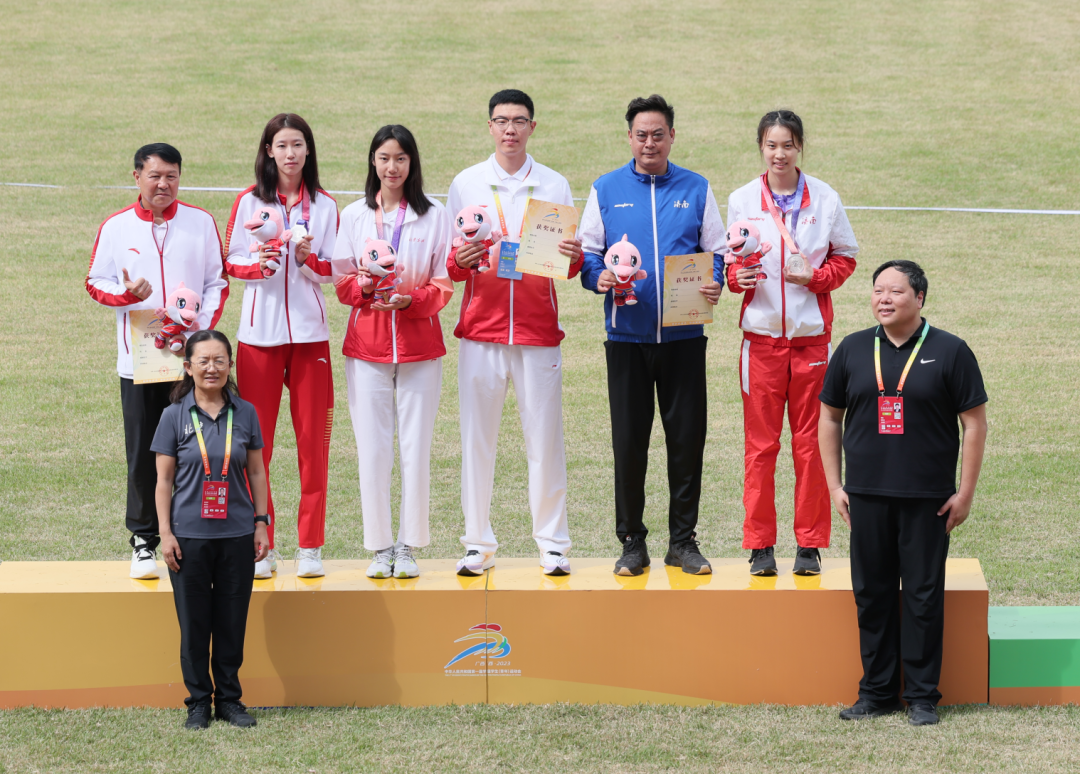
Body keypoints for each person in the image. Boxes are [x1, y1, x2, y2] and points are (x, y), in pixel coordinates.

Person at [819, 260, 988, 726]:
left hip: (927, 499)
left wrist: (965, 494)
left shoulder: (951, 351)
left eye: (895, 291)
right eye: (877, 291)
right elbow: (829, 419)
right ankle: (875, 693)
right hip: (866, 496)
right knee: (871, 595)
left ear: (919, 298)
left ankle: (921, 697)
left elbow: (974, 424)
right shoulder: (852, 349)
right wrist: (836, 485)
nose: (884, 299)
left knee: (922, 596)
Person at [579, 94, 726, 577]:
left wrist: (716, 280)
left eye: (657, 134)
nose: (649, 142)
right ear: (629, 137)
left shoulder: (697, 188)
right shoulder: (605, 189)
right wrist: (596, 277)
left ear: (671, 136)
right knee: (630, 442)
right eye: (641, 134)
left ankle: (682, 541)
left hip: (684, 339)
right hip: (626, 340)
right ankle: (632, 542)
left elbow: (718, 252)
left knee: (687, 441)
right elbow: (588, 255)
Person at [445, 88, 584, 577]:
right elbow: (450, 263)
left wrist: (575, 257)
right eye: (501, 121)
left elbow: (568, 263)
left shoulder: (554, 184)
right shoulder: (466, 183)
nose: (510, 129)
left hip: (537, 331)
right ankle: (477, 544)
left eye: (519, 121)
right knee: (476, 440)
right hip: (480, 332)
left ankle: (552, 545)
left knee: (544, 441)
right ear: (489, 126)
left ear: (532, 127)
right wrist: (458, 262)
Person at [725, 110, 860, 577]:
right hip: (760, 344)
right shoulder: (742, 199)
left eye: (787, 145)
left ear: (800, 146)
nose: (779, 153)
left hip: (811, 343)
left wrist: (817, 278)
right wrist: (737, 278)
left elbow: (846, 256)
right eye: (770, 145)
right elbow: (730, 265)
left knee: (812, 445)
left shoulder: (824, 197)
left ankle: (809, 545)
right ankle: (760, 545)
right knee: (760, 448)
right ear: (760, 147)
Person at [86, 143, 229, 580]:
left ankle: (195, 534)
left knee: (201, 448)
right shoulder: (116, 227)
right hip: (140, 362)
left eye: (171, 175)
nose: (163, 184)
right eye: (154, 176)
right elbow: (95, 282)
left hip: (192, 363)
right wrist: (128, 296)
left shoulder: (201, 222)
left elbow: (217, 283)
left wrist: (194, 329)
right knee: (145, 451)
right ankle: (144, 541)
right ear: (136, 177)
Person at [332, 125, 453, 579]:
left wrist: (412, 301)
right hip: (367, 347)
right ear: (373, 162)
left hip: (420, 346)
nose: (392, 167)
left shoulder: (434, 215)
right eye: (384, 158)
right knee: (373, 449)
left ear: (412, 163)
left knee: (415, 447)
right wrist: (365, 287)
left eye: (401, 158)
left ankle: (409, 545)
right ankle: (380, 546)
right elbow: (342, 284)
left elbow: (444, 284)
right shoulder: (354, 215)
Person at [223, 113, 338, 579]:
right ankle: (261, 544)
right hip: (259, 338)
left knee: (314, 445)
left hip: (311, 339)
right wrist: (260, 264)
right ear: (268, 151)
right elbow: (230, 260)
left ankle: (310, 546)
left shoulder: (326, 206)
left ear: (308, 151)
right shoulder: (249, 202)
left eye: (298, 145)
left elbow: (340, 268)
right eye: (281, 145)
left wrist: (311, 261)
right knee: (257, 446)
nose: (290, 153)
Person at [152, 330, 270, 730]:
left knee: (232, 623)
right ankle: (199, 703)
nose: (211, 368)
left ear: (230, 365)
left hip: (237, 536)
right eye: (203, 361)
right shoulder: (173, 416)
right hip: (189, 539)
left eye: (219, 360)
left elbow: (256, 470)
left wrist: (260, 522)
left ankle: (230, 701)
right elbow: (163, 482)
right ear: (188, 367)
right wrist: (165, 534)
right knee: (194, 626)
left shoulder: (246, 413)